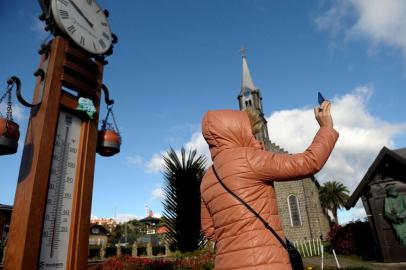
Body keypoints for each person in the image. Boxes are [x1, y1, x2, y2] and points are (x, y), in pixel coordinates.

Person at [200, 101, 338, 270]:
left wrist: (237, 238)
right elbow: (309, 162)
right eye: (250, 130)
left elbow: (209, 230)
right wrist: (326, 128)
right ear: (238, 131)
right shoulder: (249, 159)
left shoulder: (208, 177)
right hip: (267, 262)